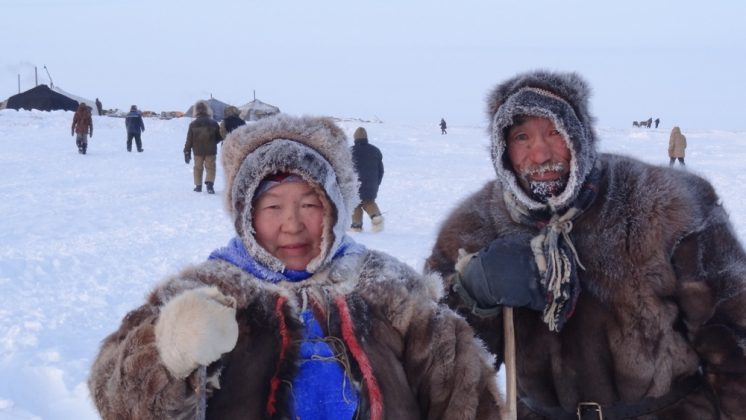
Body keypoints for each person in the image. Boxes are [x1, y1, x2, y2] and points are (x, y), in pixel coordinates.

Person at [87, 114, 501, 419]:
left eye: (310, 204)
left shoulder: (389, 287)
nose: (292, 224)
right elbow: (114, 395)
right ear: (245, 214)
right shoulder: (208, 289)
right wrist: (168, 351)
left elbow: (461, 390)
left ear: (336, 208)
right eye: (272, 206)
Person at [425, 70, 746, 418]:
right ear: (502, 148)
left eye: (554, 133)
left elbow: (733, 334)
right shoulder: (476, 226)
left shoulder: (666, 203)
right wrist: (472, 294)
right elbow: (439, 366)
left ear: (579, 135)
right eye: (522, 137)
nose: (540, 153)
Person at [350, 127, 384, 232]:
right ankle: (376, 217)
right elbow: (381, 169)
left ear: (355, 138)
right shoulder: (375, 150)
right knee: (369, 202)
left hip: (354, 184)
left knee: (355, 204)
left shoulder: (349, 151)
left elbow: (344, 170)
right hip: (372, 184)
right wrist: (377, 182)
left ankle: (356, 226)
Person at [184, 100, 222, 194]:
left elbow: (189, 140)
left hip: (197, 151)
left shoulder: (193, 124)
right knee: (211, 167)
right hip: (211, 150)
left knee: (198, 168)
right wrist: (212, 142)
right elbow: (219, 136)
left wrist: (186, 151)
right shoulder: (214, 123)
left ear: (196, 111)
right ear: (207, 110)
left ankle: (198, 186)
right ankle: (210, 185)